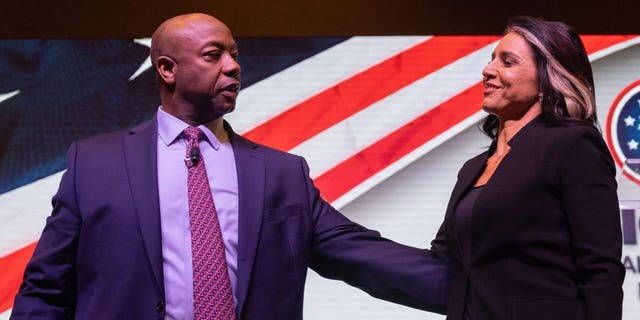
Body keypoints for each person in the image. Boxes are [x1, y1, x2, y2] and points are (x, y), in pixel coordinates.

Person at [10, 13, 449, 320]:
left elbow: (364, 257)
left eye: (235, 54)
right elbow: (46, 289)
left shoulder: (281, 174)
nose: (234, 66)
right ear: (166, 68)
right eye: (213, 55)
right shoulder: (94, 164)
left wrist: (489, 291)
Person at [430, 16, 625, 320]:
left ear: (547, 81)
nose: (488, 70)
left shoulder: (573, 145)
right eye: (492, 59)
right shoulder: (472, 169)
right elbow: (442, 264)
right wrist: (335, 236)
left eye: (507, 62)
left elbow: (601, 269)